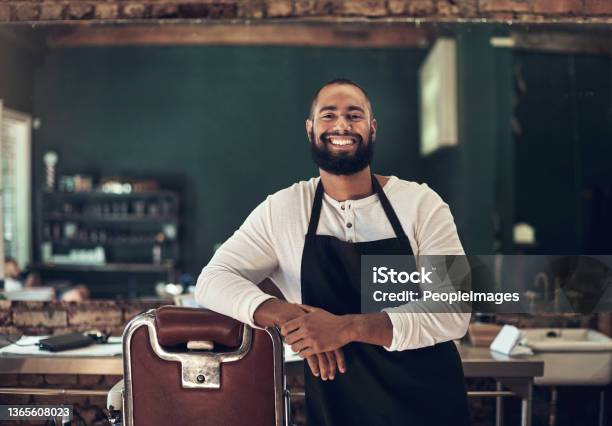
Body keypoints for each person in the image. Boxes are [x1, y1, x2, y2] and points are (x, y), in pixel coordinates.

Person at [196, 78, 471, 426]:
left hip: (427, 403)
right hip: (338, 405)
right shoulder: (284, 209)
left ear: (372, 129)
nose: (342, 125)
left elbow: (454, 308)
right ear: (310, 129)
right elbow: (212, 280)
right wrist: (288, 317)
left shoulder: (420, 204)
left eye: (354, 115)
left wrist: (345, 328)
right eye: (329, 115)